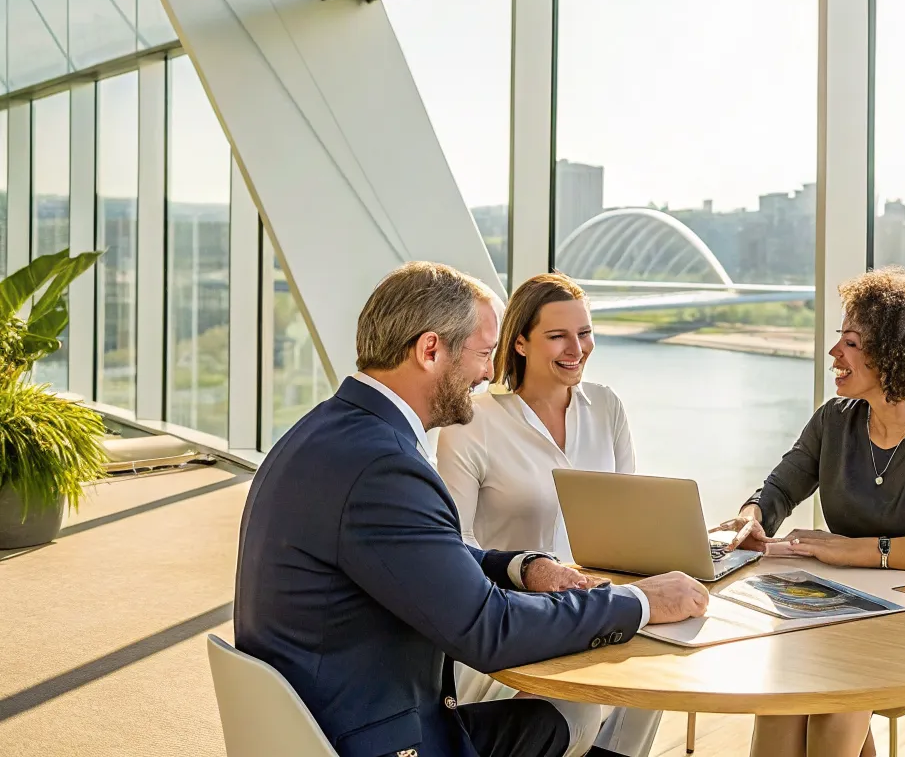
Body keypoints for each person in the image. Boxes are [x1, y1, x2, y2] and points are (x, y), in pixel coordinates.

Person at [235, 261, 709, 757]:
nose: (488, 372)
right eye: (484, 353)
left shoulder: (328, 432)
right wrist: (641, 602)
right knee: (581, 709)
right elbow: (489, 630)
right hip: (386, 738)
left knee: (573, 711)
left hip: (335, 712)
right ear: (431, 350)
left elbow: (420, 551)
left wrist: (522, 567)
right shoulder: (384, 466)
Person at [717, 269, 905, 757]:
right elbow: (779, 489)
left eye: (850, 342)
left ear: (895, 354)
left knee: (832, 691)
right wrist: (751, 515)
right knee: (784, 690)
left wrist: (850, 551)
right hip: (848, 606)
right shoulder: (833, 420)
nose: (833, 354)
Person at [439, 273, 661, 757]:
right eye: (558, 336)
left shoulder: (606, 406)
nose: (576, 348)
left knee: (654, 680)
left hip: (593, 608)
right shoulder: (471, 423)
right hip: (512, 623)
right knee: (580, 703)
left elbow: (628, 522)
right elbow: (456, 548)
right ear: (518, 341)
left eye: (584, 333)